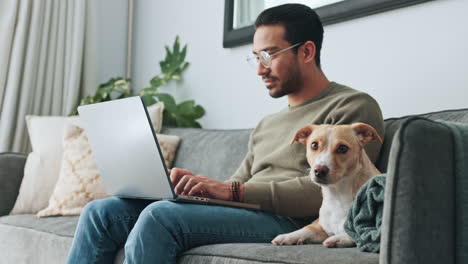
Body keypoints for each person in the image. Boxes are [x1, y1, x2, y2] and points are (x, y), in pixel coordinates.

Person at [66, 3, 384, 264]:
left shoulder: (353, 107)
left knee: (160, 217)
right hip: (247, 210)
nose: (260, 68)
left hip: (288, 219)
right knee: (101, 212)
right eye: (255, 57)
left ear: (306, 52)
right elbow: (239, 180)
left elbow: (335, 187)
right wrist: (197, 187)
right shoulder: (267, 124)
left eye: (268, 55)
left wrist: (232, 192)